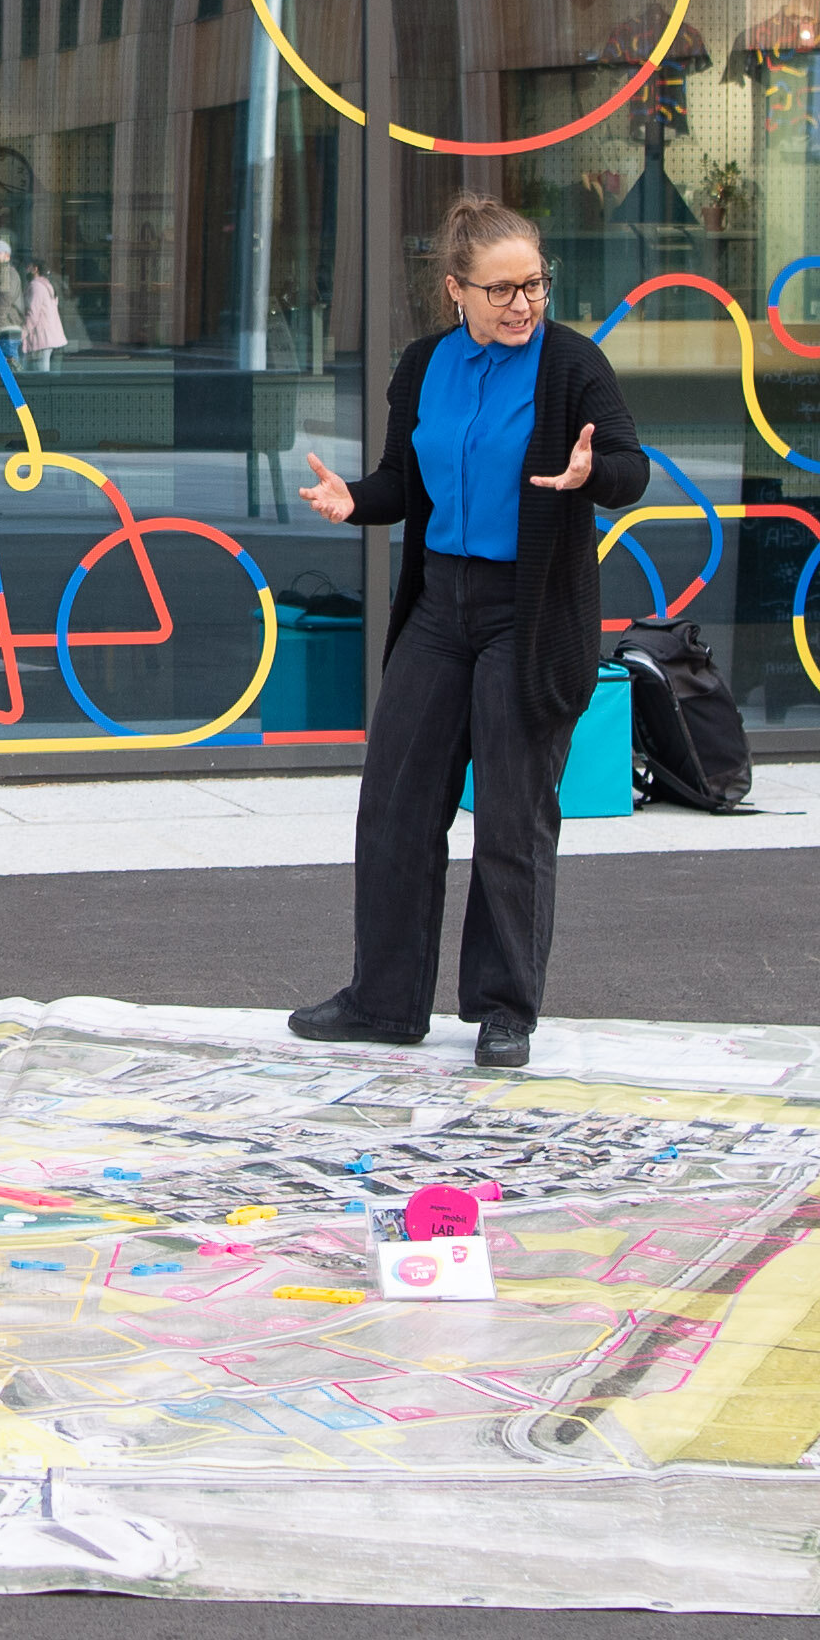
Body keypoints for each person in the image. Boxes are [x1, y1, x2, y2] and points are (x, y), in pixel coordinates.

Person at [286, 196, 646, 1076]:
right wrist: (353, 503)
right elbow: (399, 484)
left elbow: (629, 470)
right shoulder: (422, 367)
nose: (522, 304)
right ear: (457, 290)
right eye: (501, 290)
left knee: (513, 819)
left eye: (534, 285)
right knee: (397, 804)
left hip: (527, 612)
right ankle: (385, 1001)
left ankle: (502, 1010)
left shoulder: (572, 365)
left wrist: (594, 476)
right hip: (439, 607)